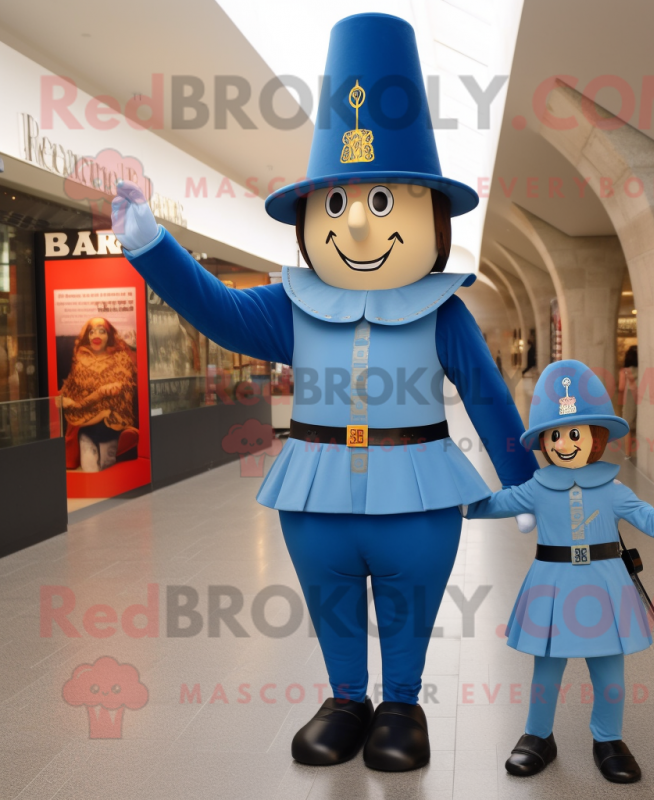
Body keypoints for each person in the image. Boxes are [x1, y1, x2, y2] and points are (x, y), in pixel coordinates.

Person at [111, 13, 535, 773]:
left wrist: (530, 488)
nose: (362, 230)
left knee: (409, 602)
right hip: (315, 491)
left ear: (430, 217)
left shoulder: (444, 311)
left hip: (420, 491)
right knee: (332, 596)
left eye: (384, 204)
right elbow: (218, 311)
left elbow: (487, 395)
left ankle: (401, 701)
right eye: (338, 206)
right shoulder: (289, 305)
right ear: (309, 218)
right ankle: (346, 698)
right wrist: (153, 246)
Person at [464, 360, 654, 784]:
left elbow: (651, 522)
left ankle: (608, 739)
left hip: (605, 587)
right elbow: (496, 504)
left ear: (595, 438)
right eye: (555, 435)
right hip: (551, 585)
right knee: (546, 669)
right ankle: (538, 736)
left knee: (609, 671)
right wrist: (459, 497)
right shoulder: (538, 486)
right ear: (544, 441)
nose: (565, 443)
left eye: (574, 434)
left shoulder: (614, 489)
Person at [59, 317, 139, 472]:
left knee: (106, 466)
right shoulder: (81, 360)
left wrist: (107, 398)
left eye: (101, 331)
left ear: (108, 335)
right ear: (86, 336)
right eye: (91, 331)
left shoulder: (121, 358)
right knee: (90, 468)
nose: (96, 335)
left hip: (112, 424)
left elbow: (126, 391)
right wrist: (69, 400)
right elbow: (70, 392)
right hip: (85, 425)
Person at [617, 345, 638, 458]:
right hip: (641, 398)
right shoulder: (642, 369)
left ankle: (628, 454)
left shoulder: (624, 371)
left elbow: (621, 387)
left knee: (627, 426)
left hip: (630, 398)